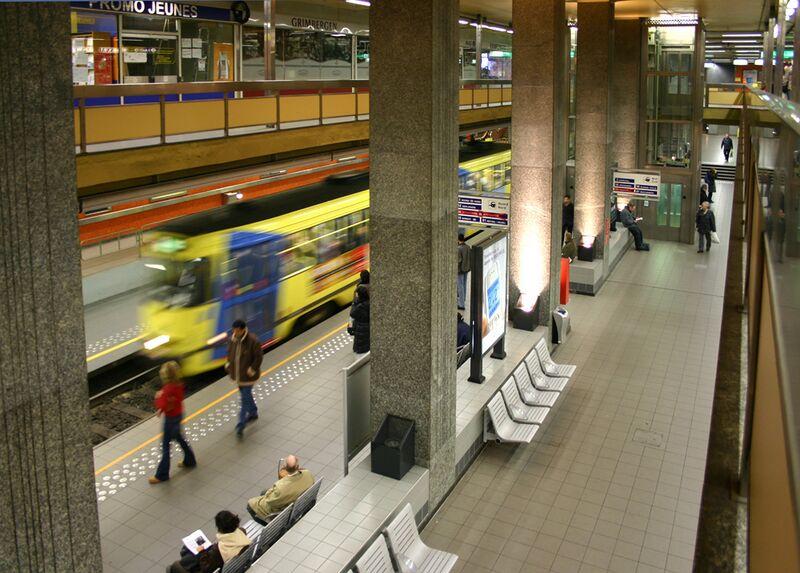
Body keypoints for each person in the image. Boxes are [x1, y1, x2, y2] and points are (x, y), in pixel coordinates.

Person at [149, 361, 196, 484]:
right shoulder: (179, 384)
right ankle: (190, 460)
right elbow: (174, 401)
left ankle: (162, 475)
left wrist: (158, 398)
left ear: (167, 375)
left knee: (165, 446)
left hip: (170, 420)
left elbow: (163, 404)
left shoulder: (168, 389)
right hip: (179, 415)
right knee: (179, 438)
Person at [168, 511, 252, 573]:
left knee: (175, 566)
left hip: (220, 567)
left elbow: (206, 569)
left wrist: (203, 552)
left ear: (220, 528)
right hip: (237, 565)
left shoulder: (219, 549)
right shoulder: (242, 532)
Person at [247, 455, 315, 525]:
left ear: (285, 468)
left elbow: (269, 501)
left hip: (282, 511)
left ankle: (269, 526)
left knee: (250, 505)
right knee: (263, 492)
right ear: (298, 467)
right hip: (297, 504)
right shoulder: (308, 474)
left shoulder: (280, 486)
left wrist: (274, 488)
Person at [226, 319, 263, 438]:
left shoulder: (253, 340)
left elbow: (259, 357)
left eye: (237, 330)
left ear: (243, 330)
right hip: (238, 375)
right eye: (234, 330)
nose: (235, 333)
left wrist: (252, 369)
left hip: (248, 376)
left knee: (244, 399)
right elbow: (230, 353)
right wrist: (228, 364)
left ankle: (241, 424)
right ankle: (253, 412)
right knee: (245, 395)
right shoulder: (232, 340)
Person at [350, 285, 370, 354]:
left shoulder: (359, 306)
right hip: (367, 329)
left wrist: (354, 303)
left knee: (362, 348)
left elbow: (352, 314)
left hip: (361, 329)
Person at [457, 234, 471, 310]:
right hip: (467, 269)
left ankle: (461, 305)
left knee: (460, 286)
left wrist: (457, 269)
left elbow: (459, 261)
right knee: (464, 285)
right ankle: (463, 300)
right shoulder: (468, 247)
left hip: (460, 270)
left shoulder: (459, 248)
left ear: (458, 239)